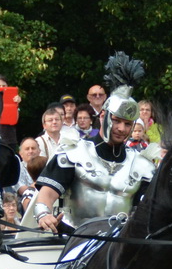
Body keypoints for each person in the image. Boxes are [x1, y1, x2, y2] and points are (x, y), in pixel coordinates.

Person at [28, 59, 158, 231]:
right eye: (117, 121)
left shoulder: (141, 165)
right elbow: (47, 194)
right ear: (103, 116)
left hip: (119, 245)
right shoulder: (75, 153)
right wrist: (44, 213)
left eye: (128, 124)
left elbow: (150, 210)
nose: (121, 128)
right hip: (75, 238)